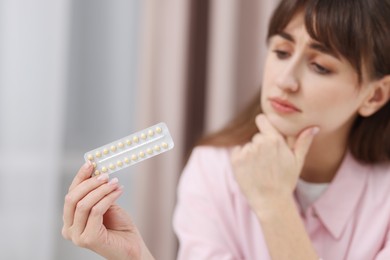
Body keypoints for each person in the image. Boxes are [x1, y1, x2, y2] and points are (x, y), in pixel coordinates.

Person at [62, 0, 390, 259]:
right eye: (281, 51)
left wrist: (274, 205)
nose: (285, 80)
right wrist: (135, 257)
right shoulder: (213, 169)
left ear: (374, 95)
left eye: (320, 66)